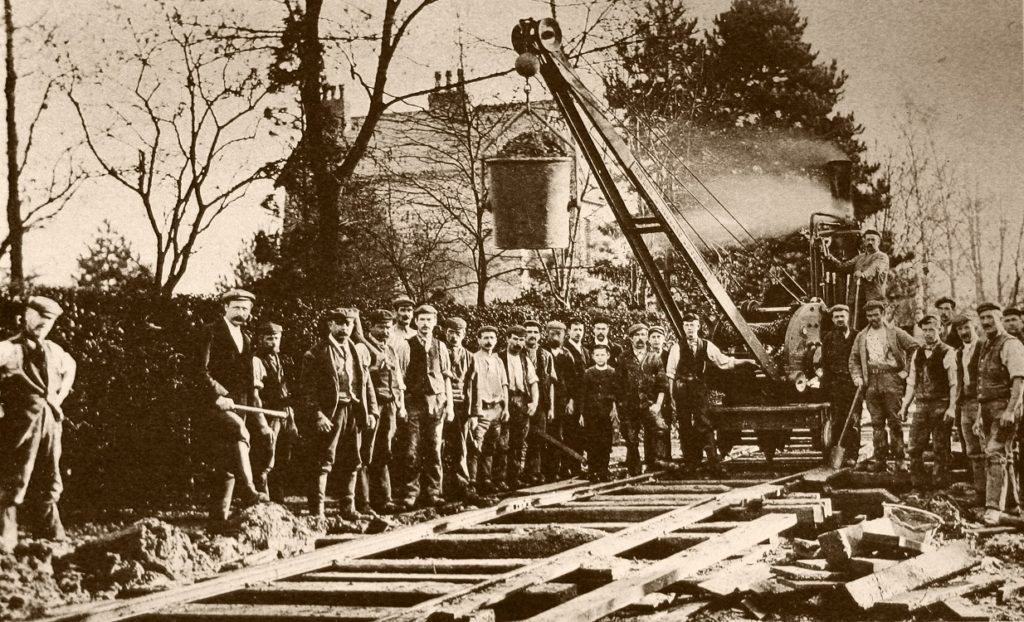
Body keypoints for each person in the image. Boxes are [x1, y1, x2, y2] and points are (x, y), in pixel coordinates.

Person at [0, 297, 77, 553]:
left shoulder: (54, 351)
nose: (44, 324)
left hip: (50, 423)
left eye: (50, 321)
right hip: (18, 423)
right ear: (25, 316)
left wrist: (58, 398)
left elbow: (71, 367)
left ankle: (50, 537)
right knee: (14, 476)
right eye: (39, 317)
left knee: (50, 478)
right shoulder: (8, 349)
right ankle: (5, 538)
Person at [299, 308, 379, 520]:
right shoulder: (316, 353)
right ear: (330, 325)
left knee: (352, 460)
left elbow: (366, 384)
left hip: (352, 411)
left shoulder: (356, 351)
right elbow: (307, 389)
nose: (344, 328)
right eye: (340, 323)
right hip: (330, 414)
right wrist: (317, 415)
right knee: (323, 461)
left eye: (349, 324)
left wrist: (371, 410)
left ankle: (348, 508)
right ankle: (317, 512)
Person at [198, 289, 269, 521]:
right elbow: (198, 371)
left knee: (226, 465)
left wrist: (255, 414)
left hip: (239, 407)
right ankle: (248, 491)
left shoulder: (247, 339)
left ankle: (218, 522)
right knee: (239, 432)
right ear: (225, 308)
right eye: (236, 307)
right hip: (211, 405)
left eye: (245, 309)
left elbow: (248, 382)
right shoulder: (209, 332)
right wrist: (217, 395)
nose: (241, 313)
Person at [665, 312, 758, 474]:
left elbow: (724, 362)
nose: (690, 329)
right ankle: (691, 462)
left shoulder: (706, 345)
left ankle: (713, 462)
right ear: (683, 327)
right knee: (685, 425)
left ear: (698, 326)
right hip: (681, 391)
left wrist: (746, 361)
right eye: (687, 325)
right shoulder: (676, 348)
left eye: (692, 325)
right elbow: (670, 374)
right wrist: (672, 396)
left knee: (704, 424)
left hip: (699, 390)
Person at [849, 300, 920, 473]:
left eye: (876, 314)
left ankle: (900, 459)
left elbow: (915, 347)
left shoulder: (895, 333)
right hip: (871, 380)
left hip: (891, 379)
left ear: (883, 313)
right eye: (869, 315)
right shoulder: (862, 336)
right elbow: (854, 359)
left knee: (895, 420)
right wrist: (857, 377)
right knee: (876, 423)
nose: (873, 318)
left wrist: (906, 371)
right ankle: (880, 459)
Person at [394, 304, 453, 509]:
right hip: (413, 403)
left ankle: (434, 492)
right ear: (416, 322)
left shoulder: (441, 346)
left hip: (436, 403)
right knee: (412, 449)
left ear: (435, 322)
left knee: (435, 449)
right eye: (422, 320)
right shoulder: (405, 345)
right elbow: (399, 379)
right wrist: (400, 405)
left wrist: (450, 406)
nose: (426, 324)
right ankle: (412, 492)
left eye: (429, 320)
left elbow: (446, 378)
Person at [974, 303, 1024, 526]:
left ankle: (993, 508)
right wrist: (978, 416)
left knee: (995, 453)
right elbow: (981, 385)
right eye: (982, 318)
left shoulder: (1010, 344)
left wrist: (1011, 411)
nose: (986, 322)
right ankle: (1013, 507)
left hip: (1004, 408)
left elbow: (1019, 380)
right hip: (987, 409)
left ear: (1000, 318)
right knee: (1006, 457)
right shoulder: (986, 345)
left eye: (990, 318)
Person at [900, 315, 958, 490]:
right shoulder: (918, 353)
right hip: (922, 406)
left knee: (941, 448)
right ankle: (919, 486)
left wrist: (952, 407)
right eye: (924, 330)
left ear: (940, 329)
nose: (928, 333)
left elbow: (954, 383)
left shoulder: (948, 351)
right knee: (914, 447)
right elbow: (911, 382)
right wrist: (905, 406)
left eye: (931, 329)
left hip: (941, 405)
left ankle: (940, 488)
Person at [363, 309, 406, 514]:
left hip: (389, 405)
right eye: (381, 327)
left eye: (388, 327)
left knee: (384, 452)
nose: (386, 331)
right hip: (371, 406)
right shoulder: (362, 347)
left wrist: (399, 404)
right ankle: (364, 501)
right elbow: (359, 376)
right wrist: (376, 366)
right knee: (366, 452)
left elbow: (397, 380)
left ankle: (385, 499)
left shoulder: (390, 349)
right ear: (371, 327)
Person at [252, 321, 299, 503]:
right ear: (261, 340)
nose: (273, 342)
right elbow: (255, 395)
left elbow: (284, 391)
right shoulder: (256, 360)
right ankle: (264, 502)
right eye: (269, 338)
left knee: (283, 459)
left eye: (276, 338)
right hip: (268, 413)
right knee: (266, 460)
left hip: (284, 414)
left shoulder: (280, 359)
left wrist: (291, 420)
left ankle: (279, 502)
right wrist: (262, 422)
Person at [615, 324, 668, 475]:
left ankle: (653, 466)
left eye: (643, 335)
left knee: (657, 431)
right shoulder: (623, 358)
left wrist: (658, 404)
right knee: (631, 438)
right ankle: (635, 471)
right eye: (636, 335)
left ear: (647, 338)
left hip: (649, 404)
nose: (640, 338)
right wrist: (619, 405)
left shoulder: (654, 357)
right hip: (629, 405)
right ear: (631, 338)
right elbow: (618, 384)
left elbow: (662, 384)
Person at [466, 326, 509, 498]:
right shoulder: (473, 358)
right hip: (481, 409)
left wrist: (505, 408)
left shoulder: (498, 361)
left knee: (491, 447)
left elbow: (504, 385)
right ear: (478, 340)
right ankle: (472, 483)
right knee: (475, 446)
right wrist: (473, 413)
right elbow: (469, 387)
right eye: (485, 338)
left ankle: (486, 480)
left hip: (496, 409)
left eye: (492, 338)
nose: (489, 341)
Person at [500, 325, 539, 490]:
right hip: (504, 402)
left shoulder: (525, 360)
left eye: (521, 339)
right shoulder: (499, 357)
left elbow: (533, 382)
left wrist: (534, 402)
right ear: (508, 338)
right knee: (502, 442)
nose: (518, 342)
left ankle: (514, 477)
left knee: (518, 442)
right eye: (515, 338)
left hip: (521, 403)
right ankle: (499, 478)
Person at [824, 229, 889, 327]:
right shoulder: (860, 258)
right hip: (857, 302)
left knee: (874, 329)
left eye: (873, 240)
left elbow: (875, 268)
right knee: (855, 328)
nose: (870, 242)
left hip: (873, 302)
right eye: (868, 240)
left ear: (878, 242)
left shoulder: (882, 257)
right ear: (864, 241)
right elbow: (843, 267)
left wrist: (863, 274)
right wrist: (829, 257)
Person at [821, 304, 860, 467]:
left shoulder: (857, 336)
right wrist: (827, 386)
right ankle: (838, 453)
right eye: (836, 317)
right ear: (832, 319)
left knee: (854, 420)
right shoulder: (829, 338)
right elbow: (825, 363)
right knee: (837, 420)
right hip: (836, 385)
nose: (839, 320)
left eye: (841, 316)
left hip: (853, 384)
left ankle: (852, 454)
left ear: (848, 317)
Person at [953, 314, 985, 507]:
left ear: (975, 327)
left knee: (987, 449)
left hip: (981, 403)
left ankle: (995, 499)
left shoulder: (984, 347)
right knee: (972, 451)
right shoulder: (959, 352)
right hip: (965, 405)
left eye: (967, 328)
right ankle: (980, 493)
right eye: (960, 329)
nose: (964, 332)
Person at [444, 317, 474, 500]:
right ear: (445, 333)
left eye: (458, 333)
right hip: (443, 405)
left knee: (460, 446)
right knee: (439, 445)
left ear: (464, 335)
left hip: (462, 407)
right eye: (451, 333)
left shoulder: (469, 356)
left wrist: (473, 413)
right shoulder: (439, 351)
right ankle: (442, 486)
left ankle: (462, 484)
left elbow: (473, 385)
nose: (454, 337)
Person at [523, 319, 556, 485]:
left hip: (541, 404)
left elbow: (550, 383)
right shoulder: (517, 353)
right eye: (528, 332)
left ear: (540, 335)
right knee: (518, 439)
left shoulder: (546, 355)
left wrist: (551, 407)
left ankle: (534, 472)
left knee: (538, 440)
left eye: (535, 332)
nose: (532, 336)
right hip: (520, 404)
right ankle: (516, 474)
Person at [582, 344, 617, 481]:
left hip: (606, 413)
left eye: (602, 354)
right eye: (597, 355)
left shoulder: (613, 372)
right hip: (591, 413)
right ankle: (592, 471)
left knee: (605, 442)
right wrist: (581, 413)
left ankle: (603, 470)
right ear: (593, 356)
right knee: (592, 441)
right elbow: (583, 394)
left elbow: (616, 392)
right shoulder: (588, 373)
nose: (600, 357)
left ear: (608, 356)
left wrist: (614, 409)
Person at [648, 326, 673, 463]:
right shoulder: (646, 355)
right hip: (650, 396)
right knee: (650, 426)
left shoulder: (669, 355)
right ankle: (651, 459)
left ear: (664, 339)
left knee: (665, 425)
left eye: (659, 337)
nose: (656, 340)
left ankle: (666, 457)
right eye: (653, 337)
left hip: (666, 396)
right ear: (649, 339)